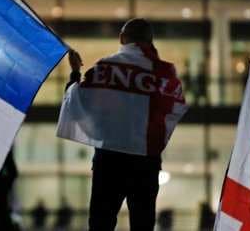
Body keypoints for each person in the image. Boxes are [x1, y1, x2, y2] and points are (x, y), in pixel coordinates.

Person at [62, 18, 186, 231]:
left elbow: (76, 101)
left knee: (101, 224)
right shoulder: (164, 75)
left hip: (109, 160)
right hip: (145, 162)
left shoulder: (104, 68)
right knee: (142, 225)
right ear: (150, 40)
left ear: (121, 38)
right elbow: (176, 109)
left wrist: (75, 72)